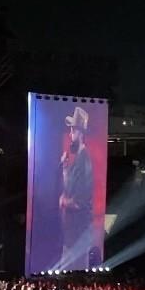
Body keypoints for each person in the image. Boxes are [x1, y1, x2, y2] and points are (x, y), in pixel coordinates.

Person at [58, 107, 94, 270]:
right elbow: (71, 189)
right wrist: (65, 169)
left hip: (77, 238)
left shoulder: (84, 161)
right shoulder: (77, 160)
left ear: (79, 132)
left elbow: (80, 202)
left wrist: (63, 201)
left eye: (72, 130)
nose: (70, 134)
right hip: (72, 236)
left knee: (73, 276)